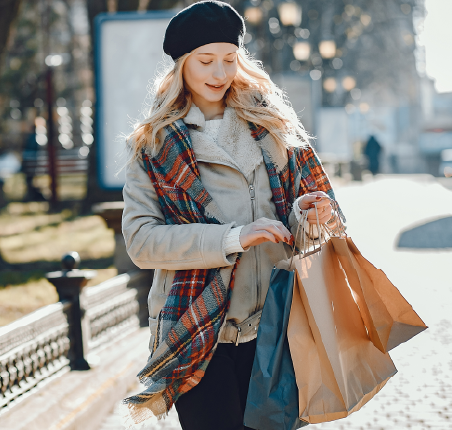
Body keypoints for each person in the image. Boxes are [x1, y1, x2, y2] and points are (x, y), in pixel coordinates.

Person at [120, 2, 345, 429]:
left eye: (229, 59)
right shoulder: (154, 144)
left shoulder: (272, 125)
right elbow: (142, 242)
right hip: (199, 332)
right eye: (206, 61)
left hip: (275, 328)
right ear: (182, 65)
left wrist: (311, 213)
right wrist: (233, 238)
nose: (219, 73)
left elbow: (301, 229)